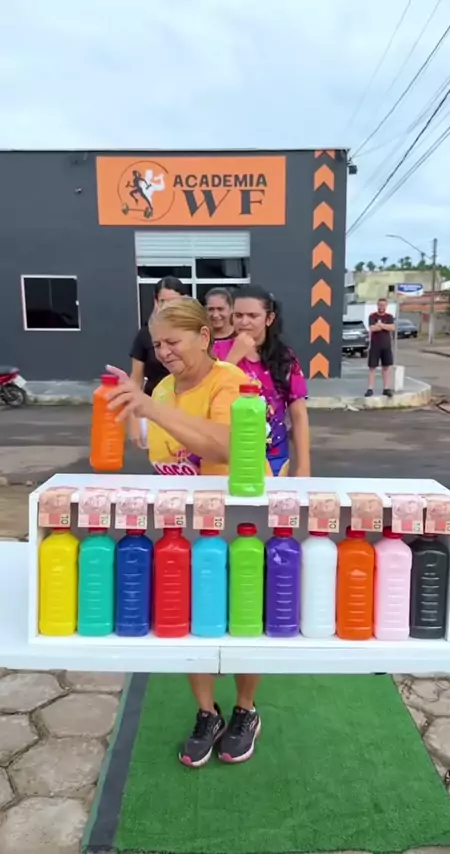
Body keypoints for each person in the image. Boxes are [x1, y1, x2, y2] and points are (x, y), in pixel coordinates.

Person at [106, 297, 262, 767]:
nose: (164, 352)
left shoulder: (230, 381)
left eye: (172, 341)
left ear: (204, 336)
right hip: (185, 527)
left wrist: (153, 410)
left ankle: (245, 709)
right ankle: (206, 712)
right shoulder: (163, 389)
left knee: (243, 617)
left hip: (238, 524)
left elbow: (226, 446)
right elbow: (164, 458)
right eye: (157, 345)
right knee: (193, 617)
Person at [213, 285, 310, 477]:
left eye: (252, 316)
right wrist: (233, 358)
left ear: (269, 319)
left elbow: (298, 414)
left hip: (274, 458)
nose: (244, 322)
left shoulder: (285, 357)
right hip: (227, 456)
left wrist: (303, 467)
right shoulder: (217, 351)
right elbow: (208, 394)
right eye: (238, 315)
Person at [129, 276, 190, 447]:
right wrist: (134, 421)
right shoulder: (145, 335)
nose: (168, 306)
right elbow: (135, 381)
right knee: (160, 457)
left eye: (173, 301)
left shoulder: (194, 332)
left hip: (189, 410)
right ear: (156, 302)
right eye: (163, 301)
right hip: (154, 409)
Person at [365, 297, 395, 398]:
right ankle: (370, 388)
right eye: (380, 305)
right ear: (377, 305)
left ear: (386, 306)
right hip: (375, 345)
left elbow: (392, 327)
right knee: (372, 367)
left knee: (386, 367)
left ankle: (386, 388)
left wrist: (380, 325)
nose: (381, 307)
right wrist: (384, 327)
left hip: (386, 346)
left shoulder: (389, 316)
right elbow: (372, 328)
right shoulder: (372, 316)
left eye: (383, 305)